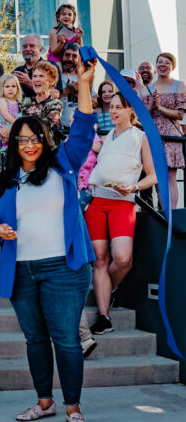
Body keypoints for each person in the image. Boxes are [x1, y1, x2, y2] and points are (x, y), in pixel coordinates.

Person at [0, 59, 96, 422]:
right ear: (13, 145)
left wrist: (83, 84)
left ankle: (73, 407)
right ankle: (44, 402)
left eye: (35, 138)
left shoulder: (63, 164)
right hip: (21, 271)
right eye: (22, 140)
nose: (29, 145)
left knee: (66, 340)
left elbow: (83, 128)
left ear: (45, 140)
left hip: (63, 268)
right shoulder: (6, 178)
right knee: (35, 340)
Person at [86, 91, 157, 335]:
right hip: (96, 202)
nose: (113, 111)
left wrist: (134, 187)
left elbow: (153, 176)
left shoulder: (141, 137)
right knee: (99, 259)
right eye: (112, 107)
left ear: (131, 110)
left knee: (123, 259)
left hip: (123, 203)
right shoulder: (106, 137)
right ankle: (104, 317)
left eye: (119, 107)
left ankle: (110, 287)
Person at [142, 52, 185, 209]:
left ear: (172, 67)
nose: (163, 65)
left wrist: (160, 108)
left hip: (172, 135)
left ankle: (172, 212)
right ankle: (165, 213)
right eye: (160, 61)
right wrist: (152, 105)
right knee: (159, 178)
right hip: (153, 136)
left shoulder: (179, 85)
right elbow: (142, 116)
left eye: (167, 62)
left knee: (171, 177)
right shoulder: (147, 89)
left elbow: (180, 114)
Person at [22, 61, 66, 145]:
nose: (36, 79)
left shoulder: (56, 104)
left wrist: (15, 127)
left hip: (47, 148)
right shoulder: (25, 101)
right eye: (34, 76)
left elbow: (43, 126)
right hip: (26, 147)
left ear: (51, 81)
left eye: (41, 76)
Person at [0, 73, 23, 149]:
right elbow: (6, 116)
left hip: (14, 128)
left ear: (17, 88)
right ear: (2, 89)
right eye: (7, 86)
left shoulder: (17, 102)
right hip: (5, 128)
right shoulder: (2, 100)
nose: (10, 89)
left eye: (13, 86)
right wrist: (19, 124)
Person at [57, 43, 83, 128]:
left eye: (74, 56)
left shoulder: (83, 78)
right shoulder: (55, 77)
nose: (70, 59)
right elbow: (48, 98)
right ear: (62, 56)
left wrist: (81, 93)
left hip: (79, 128)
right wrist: (67, 90)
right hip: (60, 129)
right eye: (67, 55)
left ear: (79, 59)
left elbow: (95, 102)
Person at [14, 34, 46, 99]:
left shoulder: (49, 67)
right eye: (25, 46)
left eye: (32, 46)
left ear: (40, 49)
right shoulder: (18, 71)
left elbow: (55, 94)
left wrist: (28, 82)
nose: (28, 49)